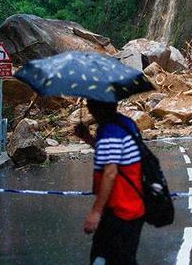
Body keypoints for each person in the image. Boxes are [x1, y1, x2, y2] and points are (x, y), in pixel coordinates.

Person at [75, 100, 145, 265]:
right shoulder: (125, 123)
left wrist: (96, 212)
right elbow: (114, 154)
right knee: (115, 258)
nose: (89, 109)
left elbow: (111, 172)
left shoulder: (109, 131)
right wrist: (88, 138)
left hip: (121, 210)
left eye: (91, 105)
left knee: (106, 258)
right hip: (132, 206)